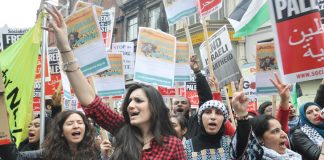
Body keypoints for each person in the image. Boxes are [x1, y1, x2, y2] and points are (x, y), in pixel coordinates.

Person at [45, 6, 185, 160]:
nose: (131, 105)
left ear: (154, 106)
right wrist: (65, 48)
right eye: (130, 100)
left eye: (138, 100)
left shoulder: (172, 145)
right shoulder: (122, 130)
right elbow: (90, 102)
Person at [230, 77, 301, 160]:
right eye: (275, 131)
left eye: (281, 129)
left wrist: (285, 100)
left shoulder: (294, 157)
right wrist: (242, 114)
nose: (285, 135)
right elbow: (242, 145)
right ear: (259, 139)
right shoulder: (252, 157)